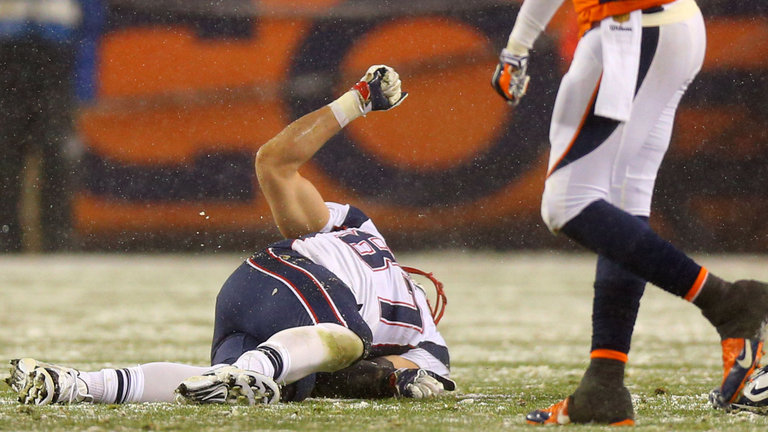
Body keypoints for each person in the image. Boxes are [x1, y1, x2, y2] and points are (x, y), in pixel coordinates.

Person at [6, 65, 454, 406]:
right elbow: (389, 376)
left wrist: (358, 100)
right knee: (345, 339)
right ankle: (253, 371)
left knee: (210, 378)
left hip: (254, 288)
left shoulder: (357, 230)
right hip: (300, 288)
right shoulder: (424, 335)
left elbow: (273, 162)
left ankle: (78, 386)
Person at [492, 0, 768, 425]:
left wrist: (518, 45)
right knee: (622, 202)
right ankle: (604, 384)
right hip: (671, 25)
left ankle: (728, 301)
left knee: (567, 204)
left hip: (629, 26)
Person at [0, 0, 85, 252]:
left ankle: (57, 240)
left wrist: (85, 83)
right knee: (5, 152)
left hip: (56, 47)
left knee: (56, 150)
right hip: (7, 48)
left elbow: (90, 19)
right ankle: (6, 239)